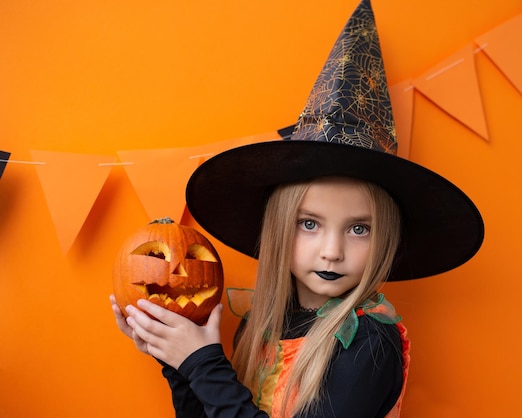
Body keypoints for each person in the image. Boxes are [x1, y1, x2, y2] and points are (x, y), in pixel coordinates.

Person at [111, 0, 484, 417]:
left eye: (359, 229)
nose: (332, 251)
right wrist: (178, 362)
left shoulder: (369, 343)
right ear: (278, 229)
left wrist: (202, 363)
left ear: (388, 240)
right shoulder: (261, 325)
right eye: (309, 224)